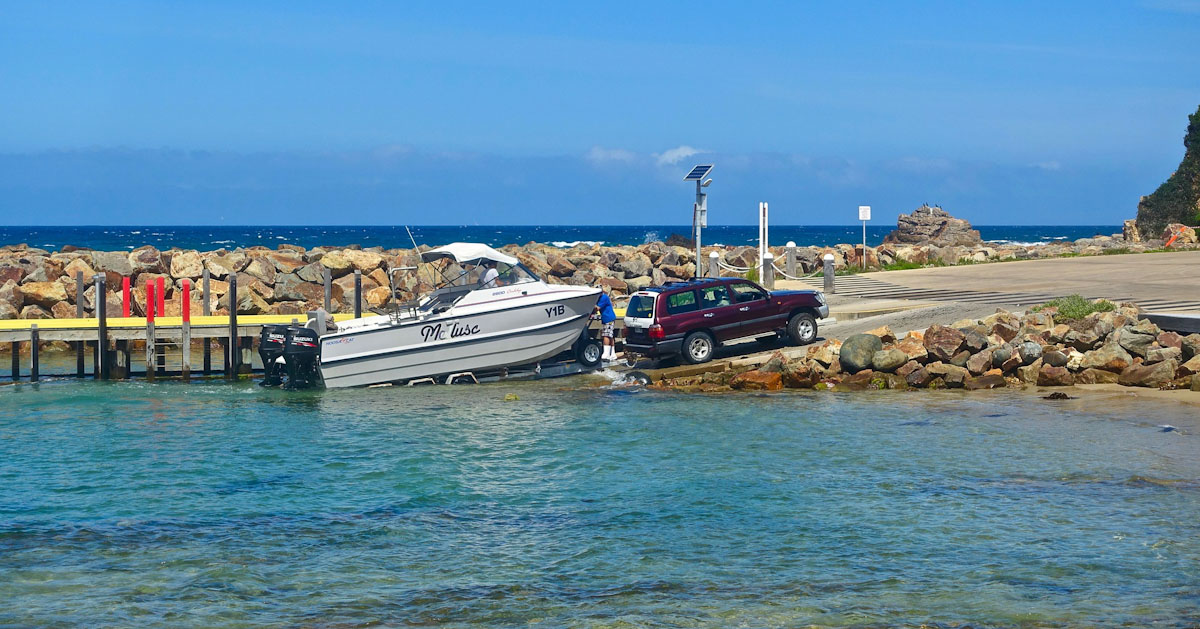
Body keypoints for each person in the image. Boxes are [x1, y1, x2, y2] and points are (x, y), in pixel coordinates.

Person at [594, 286, 618, 362]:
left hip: (609, 318)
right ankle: (613, 354)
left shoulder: (603, 298)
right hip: (607, 318)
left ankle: (606, 354)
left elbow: (597, 308)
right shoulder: (600, 298)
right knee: (610, 335)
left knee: (606, 335)